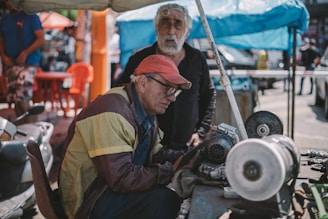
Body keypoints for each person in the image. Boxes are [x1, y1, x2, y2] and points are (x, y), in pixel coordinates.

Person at [59, 54, 201, 219]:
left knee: (171, 196)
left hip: (107, 187)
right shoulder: (112, 112)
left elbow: (153, 155)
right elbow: (122, 178)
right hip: (89, 200)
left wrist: (186, 157)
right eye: (167, 88)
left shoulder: (147, 113)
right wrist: (171, 171)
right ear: (142, 83)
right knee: (164, 200)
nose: (171, 98)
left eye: (174, 91)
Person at [117, 3, 216, 150]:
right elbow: (122, 97)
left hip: (186, 146)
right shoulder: (139, 60)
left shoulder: (197, 59)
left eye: (178, 24)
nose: (171, 31)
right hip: (145, 148)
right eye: (165, 23)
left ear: (187, 31)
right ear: (156, 29)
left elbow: (208, 95)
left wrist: (201, 132)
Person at [0, 0, 45, 117]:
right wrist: (3, 56)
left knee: (22, 97)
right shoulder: (5, 19)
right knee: (14, 99)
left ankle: (31, 129)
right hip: (11, 63)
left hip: (28, 62)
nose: (8, 4)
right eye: (6, 1)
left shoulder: (31, 16)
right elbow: (1, 39)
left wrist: (25, 53)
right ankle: (23, 128)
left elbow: (41, 39)